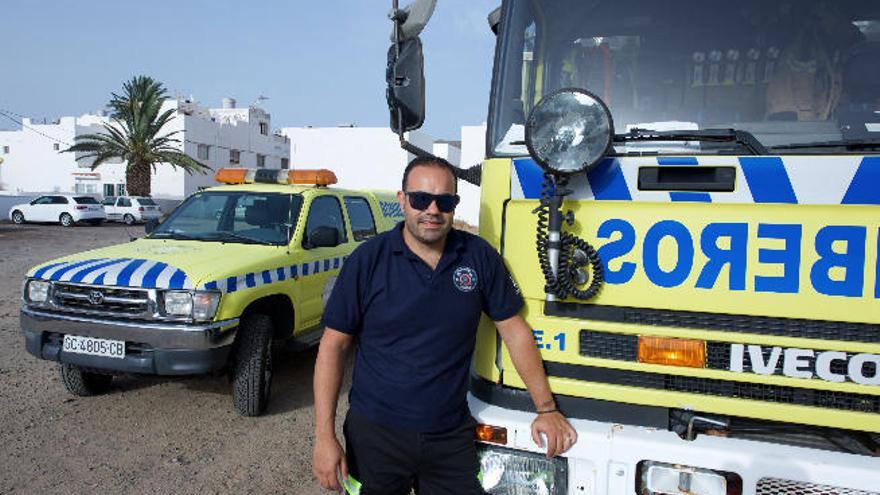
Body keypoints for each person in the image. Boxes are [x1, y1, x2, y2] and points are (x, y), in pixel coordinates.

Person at [312, 156, 577, 494]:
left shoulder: (478, 257)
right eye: (421, 199)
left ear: (455, 205)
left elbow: (513, 330)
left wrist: (547, 408)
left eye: (445, 201)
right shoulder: (368, 260)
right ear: (402, 200)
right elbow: (333, 346)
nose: (432, 210)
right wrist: (324, 436)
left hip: (450, 436)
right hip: (375, 437)